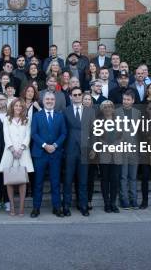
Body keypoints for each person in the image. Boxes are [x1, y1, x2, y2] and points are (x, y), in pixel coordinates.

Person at [30, 92, 67, 218]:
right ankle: (36, 208)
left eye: (52, 99)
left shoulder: (60, 116)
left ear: (55, 101)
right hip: (40, 154)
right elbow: (34, 134)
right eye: (47, 99)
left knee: (55, 182)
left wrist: (55, 145)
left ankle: (57, 208)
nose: (50, 101)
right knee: (38, 182)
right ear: (43, 101)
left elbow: (63, 133)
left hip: (55, 154)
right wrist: (45, 145)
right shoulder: (36, 116)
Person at [63, 87, 96, 216]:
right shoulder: (66, 111)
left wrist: (93, 147)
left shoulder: (90, 111)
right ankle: (66, 205)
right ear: (71, 97)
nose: (77, 97)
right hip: (70, 151)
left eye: (79, 94)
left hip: (85, 151)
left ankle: (83, 205)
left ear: (82, 96)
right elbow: (63, 131)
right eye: (74, 95)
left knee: (83, 181)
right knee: (68, 180)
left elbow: (94, 131)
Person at [0, 99, 34, 216]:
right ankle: (12, 207)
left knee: (22, 181)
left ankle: (22, 208)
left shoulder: (27, 119)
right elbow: (6, 136)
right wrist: (13, 149)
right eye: (16, 105)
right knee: (9, 181)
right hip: (10, 152)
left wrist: (22, 148)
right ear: (12, 107)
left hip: (23, 152)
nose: (18, 107)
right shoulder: (6, 119)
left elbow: (28, 135)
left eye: (20, 106)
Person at [116, 91, 141, 209]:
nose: (125, 101)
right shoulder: (116, 113)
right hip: (121, 150)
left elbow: (140, 133)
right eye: (124, 99)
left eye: (128, 99)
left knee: (133, 176)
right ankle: (124, 200)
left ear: (133, 100)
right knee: (123, 176)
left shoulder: (138, 113)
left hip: (134, 150)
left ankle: (134, 200)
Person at [97, 101, 122, 213]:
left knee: (115, 179)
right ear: (102, 109)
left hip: (116, 153)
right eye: (105, 107)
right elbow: (97, 136)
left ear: (113, 108)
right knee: (105, 179)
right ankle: (106, 203)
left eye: (110, 107)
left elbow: (123, 136)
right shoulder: (99, 121)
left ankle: (113, 203)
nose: (107, 109)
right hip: (104, 153)